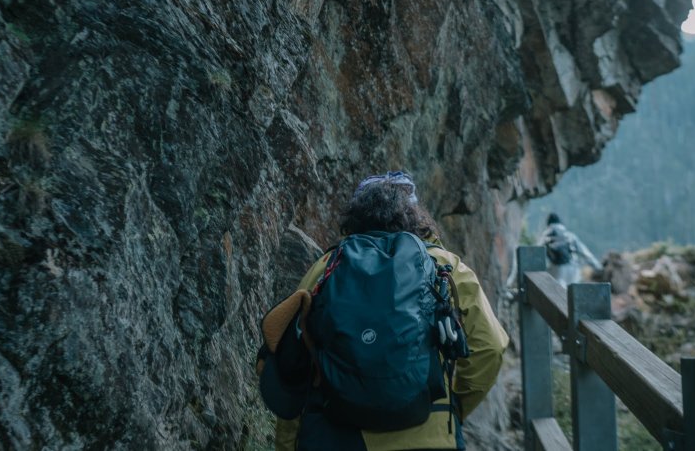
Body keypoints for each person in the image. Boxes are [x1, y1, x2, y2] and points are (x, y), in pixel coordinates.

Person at [257, 171, 508, 451]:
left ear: (355, 217)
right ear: (416, 216)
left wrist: (288, 444)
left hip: (337, 434)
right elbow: (491, 346)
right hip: (429, 433)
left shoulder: (328, 267)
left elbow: (293, 363)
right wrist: (455, 406)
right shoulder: (444, 266)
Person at [537, 213, 603, 287]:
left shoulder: (546, 235)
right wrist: (598, 267)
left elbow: (537, 251)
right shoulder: (569, 235)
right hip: (574, 269)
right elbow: (585, 253)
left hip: (557, 270)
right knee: (573, 295)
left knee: (558, 295)